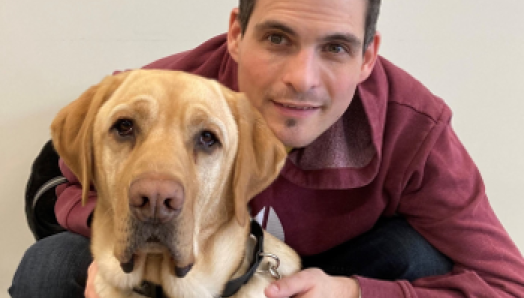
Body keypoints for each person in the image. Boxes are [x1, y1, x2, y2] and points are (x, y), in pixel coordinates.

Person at [10, 0, 524, 297]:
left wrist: (357, 293)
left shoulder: (413, 127)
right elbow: (56, 180)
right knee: (52, 264)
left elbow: (507, 284)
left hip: (336, 267)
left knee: (415, 255)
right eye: (277, 38)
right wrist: (126, 225)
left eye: (336, 48)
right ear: (236, 33)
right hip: (196, 265)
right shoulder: (169, 89)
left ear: (369, 57)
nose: (301, 79)